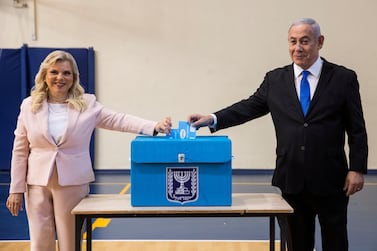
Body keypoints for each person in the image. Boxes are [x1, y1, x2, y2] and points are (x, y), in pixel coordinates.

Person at [188, 18, 368, 251]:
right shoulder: (275, 80)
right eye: (293, 42)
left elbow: (357, 128)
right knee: (297, 242)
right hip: (291, 177)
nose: (298, 48)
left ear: (320, 42)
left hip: (332, 179)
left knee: (336, 241)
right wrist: (213, 118)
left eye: (305, 41)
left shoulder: (344, 78)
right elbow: (248, 107)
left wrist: (357, 169)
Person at [5, 50, 172, 251]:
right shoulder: (29, 106)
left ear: (74, 77)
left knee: (71, 242)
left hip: (73, 182)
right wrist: (16, 189)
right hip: (36, 184)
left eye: (66, 73)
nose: (60, 78)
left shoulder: (88, 104)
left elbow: (119, 120)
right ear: (44, 76)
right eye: (54, 72)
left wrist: (154, 126)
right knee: (40, 243)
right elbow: (20, 150)